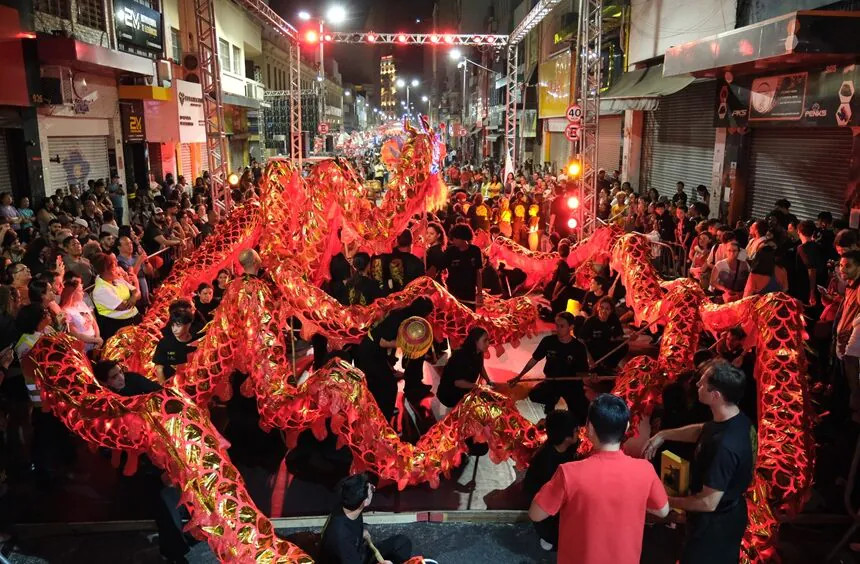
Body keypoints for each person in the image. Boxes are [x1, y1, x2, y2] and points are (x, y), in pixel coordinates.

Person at [530, 394, 669, 564]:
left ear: (589, 428)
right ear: (626, 427)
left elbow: (536, 514)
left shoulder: (569, 473)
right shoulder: (645, 470)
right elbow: (663, 510)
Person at [643, 359, 755, 564]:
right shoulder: (736, 419)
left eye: (702, 383)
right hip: (724, 517)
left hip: (714, 528)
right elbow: (703, 429)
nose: (696, 385)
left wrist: (666, 500)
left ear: (716, 395)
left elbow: (707, 502)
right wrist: (664, 435)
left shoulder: (724, 447)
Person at [508, 312, 590, 422]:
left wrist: (590, 378)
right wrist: (519, 376)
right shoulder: (548, 341)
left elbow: (582, 372)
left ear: (571, 327)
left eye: (562, 326)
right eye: (557, 325)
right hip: (552, 380)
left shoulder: (578, 347)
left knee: (581, 416)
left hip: (571, 384)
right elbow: (534, 360)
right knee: (534, 396)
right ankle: (553, 400)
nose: (558, 329)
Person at [320, 473, 413, 564]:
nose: (373, 489)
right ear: (365, 501)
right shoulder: (342, 541)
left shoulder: (347, 503)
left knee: (402, 543)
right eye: (371, 489)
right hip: (351, 558)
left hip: (359, 552)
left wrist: (359, 534)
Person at [522, 409, 580, 551]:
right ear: (567, 437)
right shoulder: (547, 461)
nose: (579, 433)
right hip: (545, 513)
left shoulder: (565, 448)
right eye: (576, 431)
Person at [437, 327, 490, 408]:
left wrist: (488, 381)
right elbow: (458, 382)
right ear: (475, 341)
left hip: (465, 390)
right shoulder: (461, 355)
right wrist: (478, 387)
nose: (488, 344)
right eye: (485, 340)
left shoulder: (479, 353)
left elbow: (480, 367)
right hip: (450, 394)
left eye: (488, 340)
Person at [91, 252, 140, 339]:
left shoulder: (117, 279)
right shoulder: (100, 290)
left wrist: (134, 297)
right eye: (114, 269)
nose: (117, 270)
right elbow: (124, 306)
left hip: (134, 319)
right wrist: (133, 297)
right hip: (119, 327)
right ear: (105, 271)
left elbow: (137, 293)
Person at [836, 250, 860, 421]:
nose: (842, 269)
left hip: (850, 350)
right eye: (841, 265)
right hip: (843, 347)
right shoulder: (850, 285)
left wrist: (852, 331)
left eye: (848, 266)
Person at [153, 300, 197, 382]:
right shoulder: (165, 341)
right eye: (173, 325)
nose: (175, 329)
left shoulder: (196, 336)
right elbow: (159, 368)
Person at [579, 297, 627, 372]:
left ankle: (610, 365)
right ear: (598, 308)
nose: (604, 311)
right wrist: (589, 358)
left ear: (611, 310)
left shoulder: (614, 319)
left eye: (607, 309)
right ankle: (600, 366)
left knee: (624, 346)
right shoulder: (590, 321)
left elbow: (618, 337)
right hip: (593, 350)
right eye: (601, 308)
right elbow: (581, 340)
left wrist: (630, 337)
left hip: (606, 347)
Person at [442, 224, 483, 309]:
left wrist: (479, 292)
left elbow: (478, 272)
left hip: (469, 291)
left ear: (463, 238)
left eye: (456, 238)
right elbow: (442, 270)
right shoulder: (450, 251)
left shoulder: (475, 251)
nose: (454, 241)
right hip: (453, 291)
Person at [60, 274, 102, 353]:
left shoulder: (81, 303)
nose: (83, 293)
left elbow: (94, 322)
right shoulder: (66, 311)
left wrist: (98, 337)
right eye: (80, 291)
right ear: (72, 294)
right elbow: (76, 334)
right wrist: (96, 340)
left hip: (95, 342)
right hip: (82, 348)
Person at [94, 360, 162, 396]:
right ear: (104, 383)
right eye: (114, 377)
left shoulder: (133, 378)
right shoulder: (105, 396)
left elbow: (159, 390)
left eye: (120, 372)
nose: (121, 378)